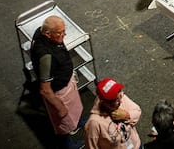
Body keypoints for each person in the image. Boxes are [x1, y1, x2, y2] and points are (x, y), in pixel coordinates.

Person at [30, 16, 85, 149]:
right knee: (62, 121)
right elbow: (45, 90)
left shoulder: (42, 32)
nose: (64, 35)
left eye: (64, 31)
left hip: (66, 82)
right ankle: (67, 145)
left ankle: (76, 122)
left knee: (73, 110)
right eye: (60, 33)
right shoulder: (46, 56)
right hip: (59, 92)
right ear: (47, 34)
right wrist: (59, 106)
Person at [84, 77, 142, 149]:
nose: (120, 101)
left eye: (120, 96)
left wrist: (127, 116)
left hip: (136, 145)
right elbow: (91, 147)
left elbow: (137, 111)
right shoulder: (94, 123)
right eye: (116, 100)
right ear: (104, 102)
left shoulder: (120, 97)